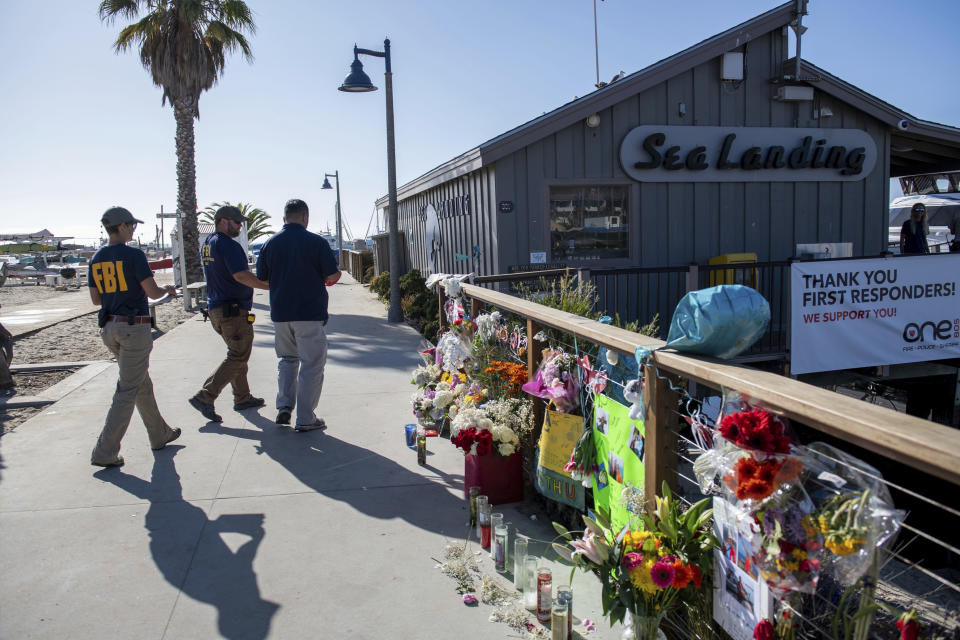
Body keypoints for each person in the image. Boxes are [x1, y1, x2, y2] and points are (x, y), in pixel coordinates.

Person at [88, 206, 181, 467]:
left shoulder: (96, 258)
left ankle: (159, 433)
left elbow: (96, 299)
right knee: (128, 389)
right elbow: (152, 293)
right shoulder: (133, 255)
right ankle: (105, 450)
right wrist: (167, 290)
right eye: (132, 225)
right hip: (134, 328)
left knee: (140, 383)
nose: (133, 229)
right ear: (121, 226)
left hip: (109, 328)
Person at [255, 199, 341, 431]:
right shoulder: (317, 242)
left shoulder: (269, 244)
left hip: (280, 314)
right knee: (311, 365)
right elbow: (332, 275)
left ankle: (284, 407)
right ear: (305, 217)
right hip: (309, 313)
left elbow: (262, 279)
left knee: (287, 360)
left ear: (284, 218)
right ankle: (305, 418)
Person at [188, 205, 270, 423]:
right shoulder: (228, 245)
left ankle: (242, 397)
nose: (240, 226)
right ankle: (206, 396)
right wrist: (269, 286)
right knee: (238, 355)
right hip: (232, 311)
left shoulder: (209, 243)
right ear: (223, 221)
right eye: (236, 222)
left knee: (238, 354)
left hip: (217, 309)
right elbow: (241, 275)